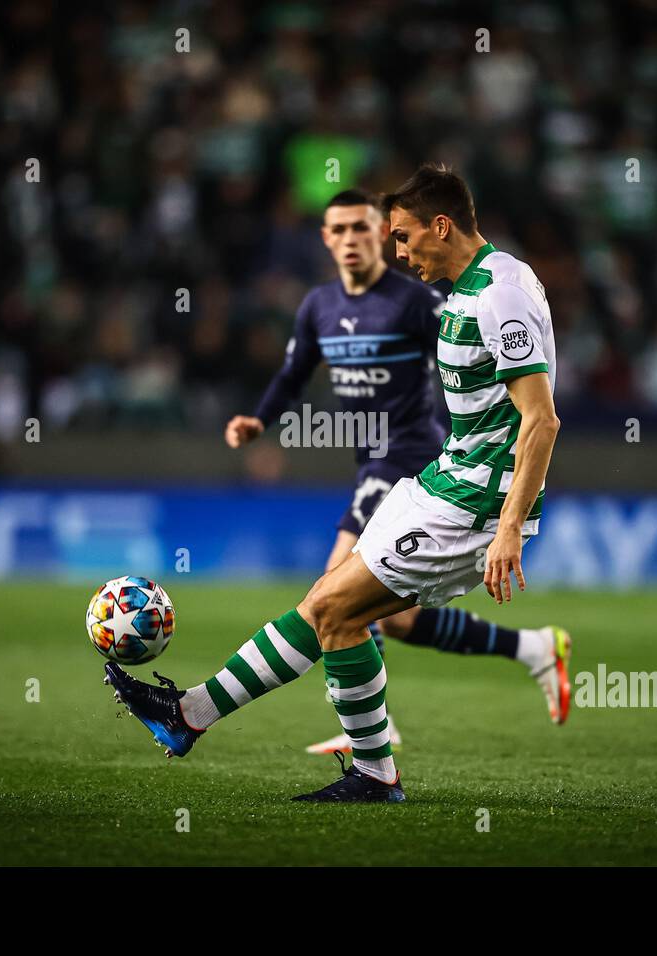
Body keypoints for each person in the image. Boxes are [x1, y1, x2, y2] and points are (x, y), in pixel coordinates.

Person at [105, 164, 568, 802]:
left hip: (473, 502)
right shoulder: (486, 282)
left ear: (441, 226)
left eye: (403, 238)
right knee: (334, 608)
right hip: (439, 482)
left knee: (333, 610)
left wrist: (509, 526)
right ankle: (197, 719)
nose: (399, 253)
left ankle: (208, 721)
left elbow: (540, 419)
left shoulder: (497, 295)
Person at [225, 188, 573, 754]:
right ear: (326, 239)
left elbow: (525, 400)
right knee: (388, 617)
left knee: (335, 598)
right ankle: (531, 649)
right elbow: (293, 374)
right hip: (386, 467)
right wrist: (259, 423)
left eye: (372, 231)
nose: (357, 241)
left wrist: (503, 509)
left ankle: (368, 733)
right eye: (338, 231)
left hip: (409, 454)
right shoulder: (320, 306)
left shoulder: (422, 300)